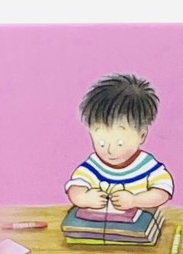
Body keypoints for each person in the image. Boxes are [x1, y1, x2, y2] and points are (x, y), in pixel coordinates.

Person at [66, 72, 174, 213]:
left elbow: (162, 191)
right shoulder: (94, 165)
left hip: (135, 224)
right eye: (102, 143)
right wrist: (85, 198)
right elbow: (75, 188)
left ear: (142, 136)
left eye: (120, 144)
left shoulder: (146, 165)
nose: (110, 150)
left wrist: (135, 200)